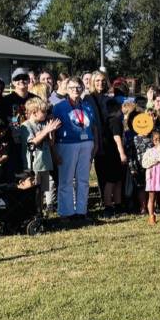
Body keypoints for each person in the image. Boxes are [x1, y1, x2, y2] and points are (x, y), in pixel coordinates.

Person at [52, 77, 98, 222]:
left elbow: (94, 126)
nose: (75, 90)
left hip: (86, 143)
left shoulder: (87, 106)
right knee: (66, 179)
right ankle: (66, 212)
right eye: (72, 88)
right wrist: (53, 149)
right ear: (66, 89)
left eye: (78, 87)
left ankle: (81, 211)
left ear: (83, 88)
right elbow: (53, 130)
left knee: (83, 179)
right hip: (66, 144)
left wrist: (95, 144)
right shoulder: (59, 107)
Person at [19, 98, 61, 208]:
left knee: (44, 188)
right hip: (34, 164)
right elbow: (32, 144)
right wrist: (46, 130)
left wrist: (52, 131)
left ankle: (44, 208)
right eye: (44, 112)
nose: (46, 114)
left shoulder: (43, 124)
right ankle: (35, 209)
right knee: (35, 188)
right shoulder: (26, 126)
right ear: (34, 112)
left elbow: (51, 143)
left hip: (45, 162)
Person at [142, 129, 160, 225]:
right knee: (152, 197)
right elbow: (144, 164)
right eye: (155, 139)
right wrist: (157, 159)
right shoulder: (149, 151)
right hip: (152, 178)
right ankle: (151, 216)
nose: (158, 141)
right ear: (152, 141)